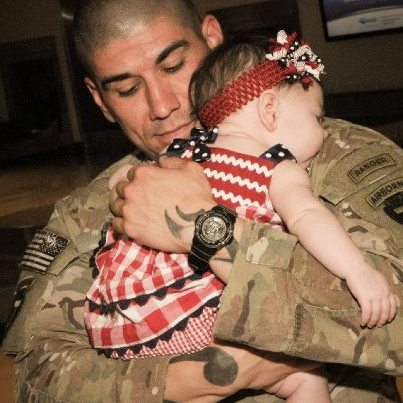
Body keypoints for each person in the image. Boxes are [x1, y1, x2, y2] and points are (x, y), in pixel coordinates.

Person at [2, 1, 402, 402]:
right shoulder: (83, 211)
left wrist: (207, 230)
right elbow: (36, 374)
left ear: (212, 39)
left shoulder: (324, 148)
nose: (162, 106)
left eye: (173, 66)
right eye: (127, 89)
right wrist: (199, 378)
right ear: (99, 99)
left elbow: (395, 320)